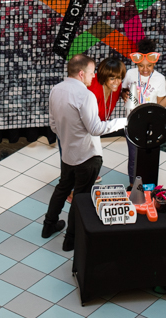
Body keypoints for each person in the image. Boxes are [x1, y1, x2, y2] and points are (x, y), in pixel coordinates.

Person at [43, 54, 126, 251]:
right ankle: (70, 240)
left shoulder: (56, 90)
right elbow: (96, 129)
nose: (93, 76)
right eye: (91, 72)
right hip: (88, 157)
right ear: (81, 74)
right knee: (80, 197)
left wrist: (69, 136)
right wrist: (124, 121)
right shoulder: (85, 95)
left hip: (68, 154)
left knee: (63, 187)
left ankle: (48, 226)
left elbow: (53, 126)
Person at [122, 39, 166, 185]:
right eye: (141, 66)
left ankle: (147, 187)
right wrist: (124, 94)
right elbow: (123, 91)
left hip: (151, 124)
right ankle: (132, 186)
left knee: (149, 155)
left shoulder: (160, 78)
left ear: (154, 63)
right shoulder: (130, 74)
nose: (145, 69)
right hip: (132, 121)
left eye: (149, 65)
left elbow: (160, 106)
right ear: (136, 63)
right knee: (133, 157)